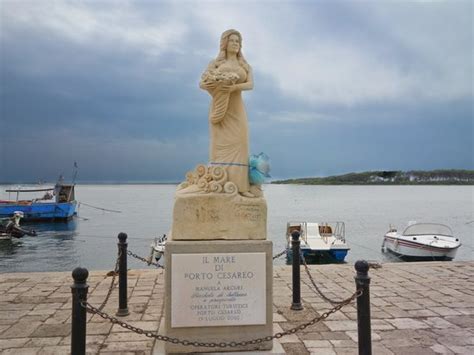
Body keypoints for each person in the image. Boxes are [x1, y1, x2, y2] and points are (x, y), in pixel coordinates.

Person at [200, 29, 254, 197]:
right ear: (225, 43)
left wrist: (233, 87)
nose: (235, 44)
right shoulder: (215, 64)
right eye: (232, 41)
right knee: (219, 144)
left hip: (237, 108)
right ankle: (219, 181)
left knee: (241, 141)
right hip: (220, 107)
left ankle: (241, 187)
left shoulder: (245, 65)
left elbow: (250, 84)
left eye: (238, 41)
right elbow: (202, 83)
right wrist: (217, 85)